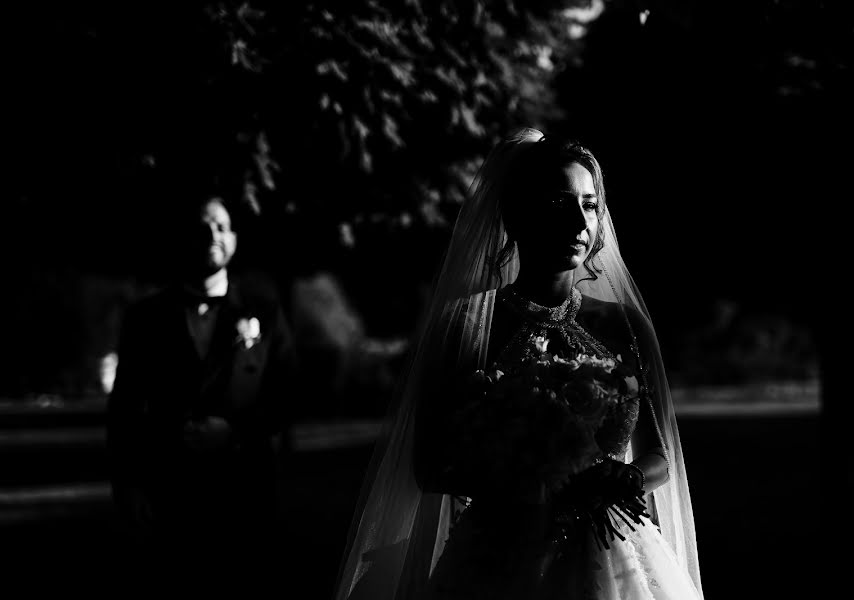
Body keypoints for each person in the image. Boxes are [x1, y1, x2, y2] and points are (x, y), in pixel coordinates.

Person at [334, 128, 703, 599]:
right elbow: (429, 467)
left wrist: (625, 476)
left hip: (612, 551)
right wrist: (532, 478)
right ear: (518, 213)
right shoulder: (467, 324)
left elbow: (658, 456)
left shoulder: (622, 325)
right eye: (558, 203)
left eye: (590, 205)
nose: (579, 222)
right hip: (500, 554)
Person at [106, 196, 299, 580]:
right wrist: (128, 487)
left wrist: (235, 432)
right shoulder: (146, 318)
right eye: (203, 227)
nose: (213, 234)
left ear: (235, 239)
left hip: (245, 493)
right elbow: (124, 408)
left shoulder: (265, 311)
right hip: (171, 492)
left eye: (222, 226)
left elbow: (288, 393)